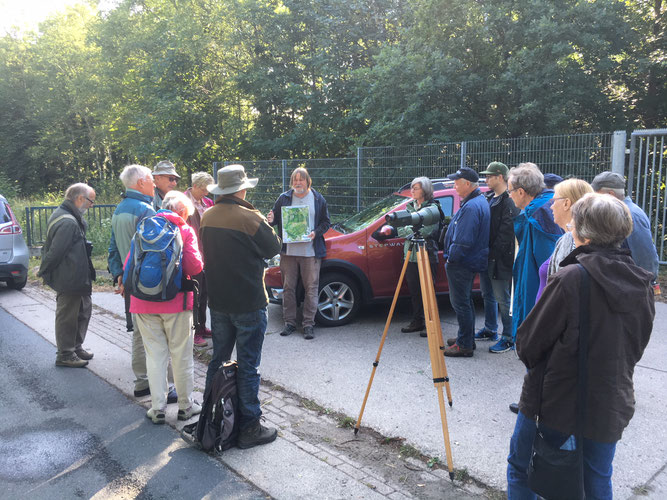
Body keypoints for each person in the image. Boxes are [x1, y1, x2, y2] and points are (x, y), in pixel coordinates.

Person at [507, 193, 655, 499]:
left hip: (557, 404)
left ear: (585, 232)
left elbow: (528, 344)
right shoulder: (641, 282)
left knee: (521, 469)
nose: (570, 227)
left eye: (574, 221)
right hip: (611, 402)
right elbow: (637, 346)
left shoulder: (571, 278)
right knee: (597, 478)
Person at [200, 164, 282, 449]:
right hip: (248, 301)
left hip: (219, 301)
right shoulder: (249, 217)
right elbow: (273, 248)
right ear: (241, 189)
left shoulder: (207, 215)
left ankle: (208, 418)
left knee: (218, 359)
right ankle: (250, 427)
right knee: (249, 365)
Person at [122, 191, 204, 424]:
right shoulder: (184, 230)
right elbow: (195, 266)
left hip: (142, 303)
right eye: (186, 214)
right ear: (181, 212)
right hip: (176, 303)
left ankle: (157, 408)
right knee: (181, 355)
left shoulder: (144, 228)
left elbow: (130, 265)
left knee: (155, 355)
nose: (187, 218)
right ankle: (186, 406)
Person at [108, 165, 177, 402]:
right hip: (148, 282)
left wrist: (119, 274)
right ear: (140, 183)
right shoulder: (146, 210)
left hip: (130, 280)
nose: (153, 184)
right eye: (150, 180)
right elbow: (156, 250)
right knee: (158, 335)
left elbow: (113, 246)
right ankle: (165, 386)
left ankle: (141, 382)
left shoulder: (119, 209)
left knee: (139, 332)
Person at [501, 163, 562, 355]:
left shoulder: (539, 215)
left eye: (510, 191)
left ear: (521, 192)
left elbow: (549, 270)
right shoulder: (543, 209)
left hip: (538, 303)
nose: (508, 195)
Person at [372, 177, 441, 337]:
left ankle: (431, 325)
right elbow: (405, 226)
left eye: (416, 188)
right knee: (415, 291)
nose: (412, 191)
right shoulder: (410, 206)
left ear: (425, 190)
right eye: (412, 187)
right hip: (410, 256)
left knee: (428, 292)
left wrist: (399, 231)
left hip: (427, 254)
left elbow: (424, 231)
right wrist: (400, 229)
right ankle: (417, 321)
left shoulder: (432, 208)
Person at [38, 183, 96, 368]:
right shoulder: (67, 221)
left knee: (83, 311)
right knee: (67, 316)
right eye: (90, 201)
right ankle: (65, 354)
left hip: (77, 276)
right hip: (69, 277)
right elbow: (56, 252)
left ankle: (75, 347)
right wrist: (43, 271)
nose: (91, 205)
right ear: (80, 199)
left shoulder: (69, 216)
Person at [268, 167, 330, 340]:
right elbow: (275, 220)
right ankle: (289, 323)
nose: (297, 182)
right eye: (295, 180)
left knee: (311, 289)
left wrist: (315, 233)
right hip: (288, 252)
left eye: (301, 179)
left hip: (310, 252)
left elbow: (326, 222)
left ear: (307, 181)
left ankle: (309, 324)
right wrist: (271, 220)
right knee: (288, 288)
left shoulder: (318, 198)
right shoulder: (284, 198)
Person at [442, 167, 490, 357]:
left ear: (467, 184)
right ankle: (466, 338)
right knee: (465, 302)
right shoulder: (476, 201)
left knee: (461, 303)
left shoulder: (471, 206)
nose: (454, 186)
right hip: (469, 261)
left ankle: (464, 345)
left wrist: (451, 258)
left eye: (456, 182)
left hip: (462, 263)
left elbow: (463, 241)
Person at [475, 162, 519, 348]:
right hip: (486, 256)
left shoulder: (508, 201)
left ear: (500, 177)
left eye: (489, 176)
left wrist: (491, 254)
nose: (486, 180)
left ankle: (509, 337)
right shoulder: (490, 197)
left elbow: (506, 234)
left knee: (503, 298)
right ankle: (491, 329)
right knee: (487, 294)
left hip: (499, 259)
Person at [591, 171, 659, 282]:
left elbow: (645, 256)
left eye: (596, 194)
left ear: (610, 195)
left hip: (632, 286)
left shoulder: (631, 215)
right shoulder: (621, 212)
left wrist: (645, 283)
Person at [535, 178, 592, 301]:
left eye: (554, 201)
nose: (551, 207)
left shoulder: (579, 242)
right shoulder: (565, 239)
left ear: (566, 203)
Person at [184, 171, 215, 347]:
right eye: (203, 189)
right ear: (194, 186)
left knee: (204, 293)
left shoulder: (208, 202)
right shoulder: (183, 201)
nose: (206, 193)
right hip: (192, 253)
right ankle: (193, 332)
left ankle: (202, 326)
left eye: (208, 190)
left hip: (208, 254)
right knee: (194, 294)